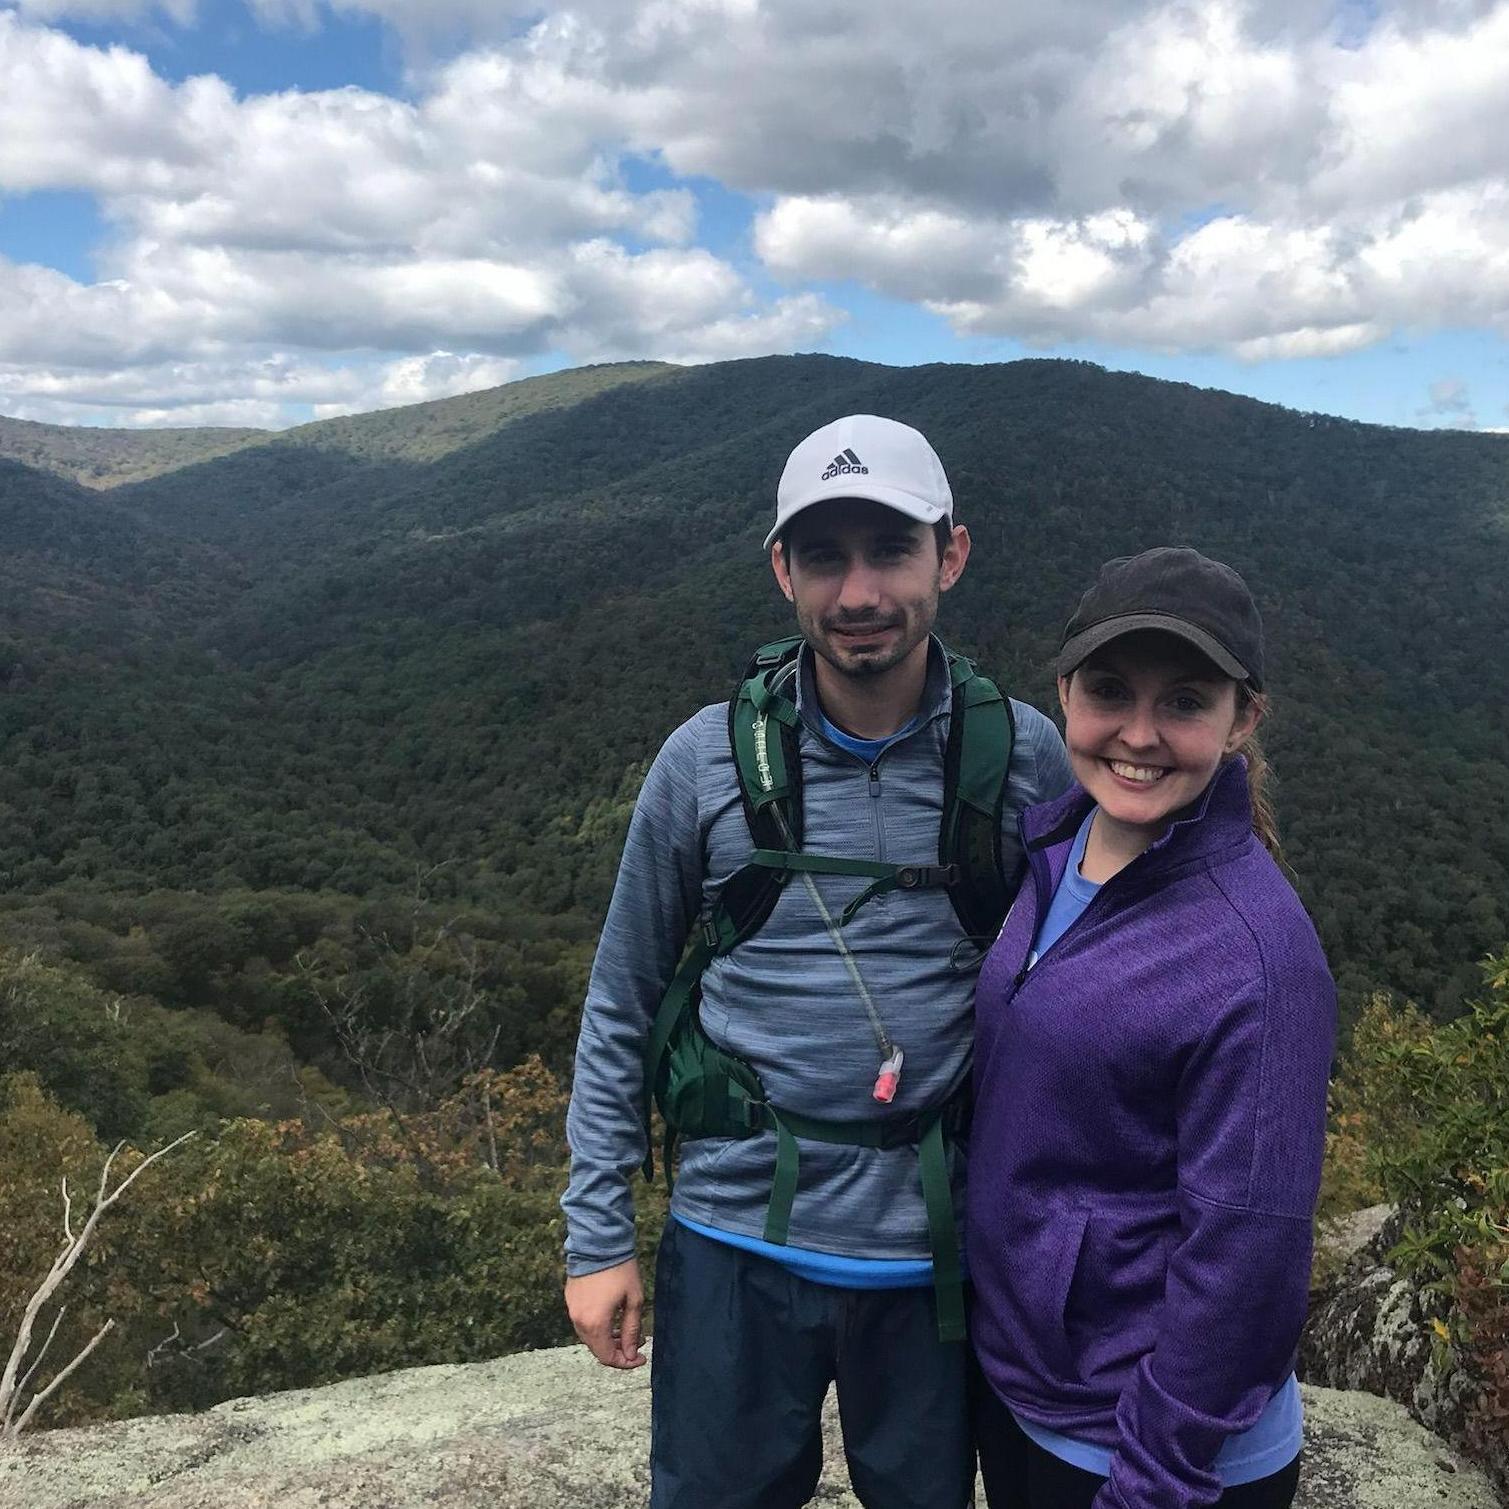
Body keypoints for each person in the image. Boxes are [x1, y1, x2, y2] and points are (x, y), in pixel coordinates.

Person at [561, 413, 1072, 1509]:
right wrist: (598, 1236)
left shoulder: (1025, 755)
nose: (859, 595)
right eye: (826, 556)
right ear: (782, 569)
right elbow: (622, 1000)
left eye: (890, 550)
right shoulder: (704, 761)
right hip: (734, 1242)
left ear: (952, 553)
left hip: (936, 1257)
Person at [968, 547, 1337, 1509]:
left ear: (1242, 716)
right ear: (1062, 693)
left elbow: (1246, 1259)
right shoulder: (1054, 848)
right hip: (1033, 1398)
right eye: (1108, 691)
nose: (1137, 732)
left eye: (1182, 700)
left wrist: (1153, 1479)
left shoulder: (1256, 957)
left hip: (1142, 1451)